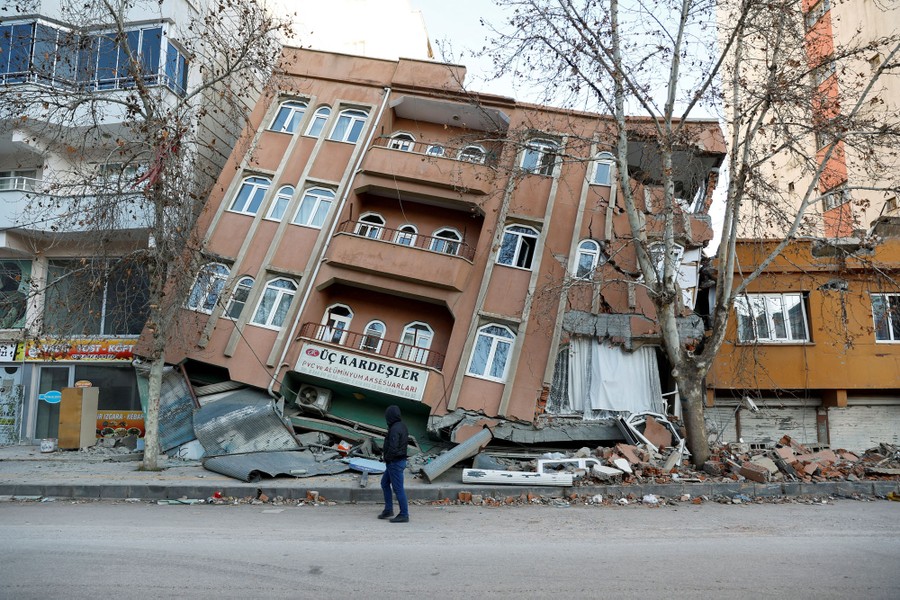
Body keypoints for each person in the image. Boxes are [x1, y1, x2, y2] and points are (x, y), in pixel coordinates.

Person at [379, 405, 409, 523]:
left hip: (395, 462)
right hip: (397, 461)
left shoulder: (395, 428)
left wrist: (387, 458)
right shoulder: (401, 426)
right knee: (385, 483)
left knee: (398, 489)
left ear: (390, 416)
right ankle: (388, 510)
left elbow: (393, 447)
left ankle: (404, 514)